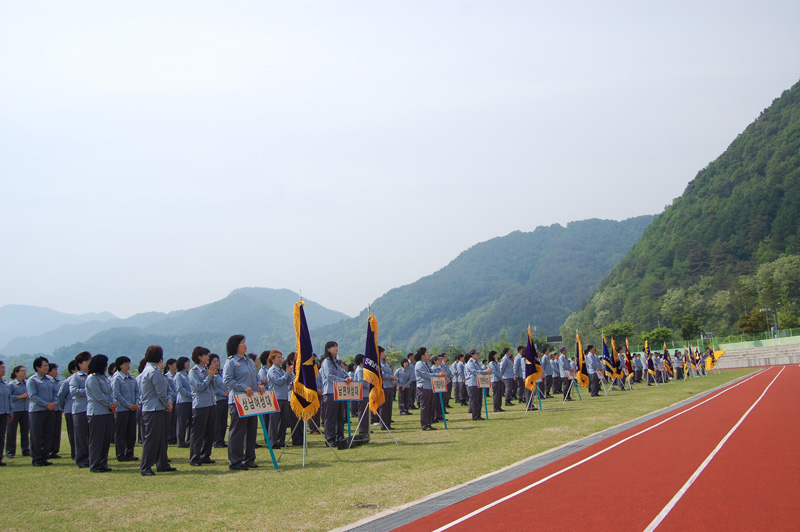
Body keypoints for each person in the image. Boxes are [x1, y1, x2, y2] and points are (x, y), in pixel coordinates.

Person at [223, 334, 264, 470]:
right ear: (235, 346)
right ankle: (235, 461)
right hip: (238, 400)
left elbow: (256, 376)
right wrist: (243, 387)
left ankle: (249, 458)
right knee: (237, 431)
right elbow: (228, 380)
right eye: (242, 342)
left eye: (245, 342)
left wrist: (258, 384)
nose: (245, 345)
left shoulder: (249, 361)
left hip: (251, 400)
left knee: (251, 430)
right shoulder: (231, 362)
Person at [139, 345, 176, 476]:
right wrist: (167, 405)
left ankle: (162, 463)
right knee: (152, 439)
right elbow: (161, 393)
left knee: (160, 438)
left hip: (152, 407)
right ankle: (146, 466)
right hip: (155, 409)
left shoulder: (147, 369)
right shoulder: (154, 371)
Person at [85, 355, 117, 472]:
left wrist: (113, 403)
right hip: (97, 412)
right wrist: (110, 405)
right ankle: (94, 464)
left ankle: (103, 463)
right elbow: (98, 396)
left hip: (107, 411)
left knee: (105, 440)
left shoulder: (105, 378)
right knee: (96, 440)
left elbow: (110, 392)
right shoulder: (92, 379)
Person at [188, 346, 217, 466]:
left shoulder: (207, 370)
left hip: (211, 403)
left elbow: (215, 386)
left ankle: (205, 455)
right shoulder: (193, 371)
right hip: (200, 405)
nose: (208, 357)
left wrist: (212, 375)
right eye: (206, 355)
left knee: (210, 432)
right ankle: (195, 457)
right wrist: (209, 376)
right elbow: (199, 387)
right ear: (199, 357)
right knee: (198, 433)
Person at [319, 341, 352, 446]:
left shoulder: (337, 362)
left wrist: (347, 377)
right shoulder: (326, 362)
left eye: (337, 346)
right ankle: (330, 439)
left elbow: (342, 373)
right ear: (328, 349)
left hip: (339, 392)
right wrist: (343, 380)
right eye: (333, 347)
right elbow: (329, 376)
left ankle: (340, 437)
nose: (336, 348)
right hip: (330, 392)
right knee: (331, 417)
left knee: (340, 416)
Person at [27, 357, 57, 466]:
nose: (47, 367)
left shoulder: (50, 379)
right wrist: (46, 404)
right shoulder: (32, 380)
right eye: (44, 365)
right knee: (36, 435)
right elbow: (33, 396)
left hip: (50, 410)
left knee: (48, 434)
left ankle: (44, 457)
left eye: (47, 365)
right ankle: (36, 458)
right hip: (37, 411)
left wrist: (54, 403)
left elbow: (55, 393)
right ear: (37, 367)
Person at [111, 356, 139, 462]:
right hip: (122, 409)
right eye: (125, 363)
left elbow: (137, 391)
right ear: (120, 365)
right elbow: (116, 394)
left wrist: (136, 402)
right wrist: (128, 405)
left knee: (131, 432)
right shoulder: (117, 378)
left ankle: (130, 453)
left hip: (132, 409)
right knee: (121, 432)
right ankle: (120, 454)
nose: (128, 365)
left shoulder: (132, 378)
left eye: (129, 363)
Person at [266, 350, 293, 448]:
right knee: (274, 421)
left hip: (284, 397)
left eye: (281, 357)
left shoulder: (282, 370)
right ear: (272, 359)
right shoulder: (272, 370)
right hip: (275, 397)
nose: (280, 359)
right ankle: (273, 442)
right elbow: (278, 382)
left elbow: (287, 383)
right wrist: (286, 374)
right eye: (277, 357)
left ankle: (281, 440)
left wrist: (289, 374)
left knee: (284, 420)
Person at [69, 352, 91, 467]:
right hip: (80, 409)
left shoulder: (93, 376)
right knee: (81, 436)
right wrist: (89, 391)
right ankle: (82, 460)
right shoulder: (76, 377)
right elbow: (74, 391)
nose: (89, 363)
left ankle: (91, 458)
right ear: (80, 364)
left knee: (91, 436)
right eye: (87, 361)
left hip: (92, 410)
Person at [414, 348, 444, 431]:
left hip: (430, 387)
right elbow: (426, 375)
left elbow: (430, 372)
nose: (428, 354)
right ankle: (425, 424)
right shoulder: (419, 364)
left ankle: (429, 423)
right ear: (422, 355)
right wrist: (438, 374)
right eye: (426, 353)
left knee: (430, 406)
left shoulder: (426, 363)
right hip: (424, 387)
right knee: (425, 406)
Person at [6, 365, 30, 459]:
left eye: (25, 370)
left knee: (25, 431)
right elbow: (9, 397)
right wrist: (19, 397)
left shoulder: (27, 383)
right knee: (11, 431)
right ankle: (10, 451)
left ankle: (25, 450)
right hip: (15, 410)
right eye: (22, 370)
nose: (24, 372)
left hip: (25, 410)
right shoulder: (11, 384)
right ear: (16, 373)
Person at [464, 349, 490, 420]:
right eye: (476, 354)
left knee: (479, 400)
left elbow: (480, 370)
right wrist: (485, 371)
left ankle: (478, 414)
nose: (477, 355)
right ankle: (475, 415)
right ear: (472, 355)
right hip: (472, 384)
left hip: (478, 383)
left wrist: (485, 371)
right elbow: (474, 372)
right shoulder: (470, 363)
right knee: (474, 400)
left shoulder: (477, 363)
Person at [209, 354, 228, 448]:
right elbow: (214, 388)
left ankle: (222, 439)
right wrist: (222, 393)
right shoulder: (211, 375)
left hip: (225, 400)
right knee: (217, 421)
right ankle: (216, 440)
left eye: (218, 361)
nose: (217, 363)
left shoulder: (222, 373)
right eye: (214, 361)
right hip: (217, 400)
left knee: (224, 421)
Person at [173, 356, 192, 448]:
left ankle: (189, 440)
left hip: (191, 401)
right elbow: (180, 389)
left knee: (191, 422)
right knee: (182, 422)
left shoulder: (189, 374)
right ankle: (181, 441)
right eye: (186, 362)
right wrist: (190, 395)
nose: (188, 364)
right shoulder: (179, 375)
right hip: (182, 402)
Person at [46, 362, 63, 459]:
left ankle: (54, 450)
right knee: (49, 431)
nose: (56, 372)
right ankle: (47, 450)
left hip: (57, 408)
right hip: (49, 408)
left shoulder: (58, 382)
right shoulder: (49, 382)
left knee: (57, 431)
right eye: (54, 370)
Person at [352, 354, 371, 439]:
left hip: (365, 394)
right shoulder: (360, 370)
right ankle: (363, 430)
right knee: (362, 411)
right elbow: (360, 382)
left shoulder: (363, 369)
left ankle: (366, 428)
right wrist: (369, 385)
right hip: (362, 394)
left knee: (366, 412)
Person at [378, 346, 396, 430]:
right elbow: (382, 374)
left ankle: (388, 423)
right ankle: (383, 424)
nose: (384, 354)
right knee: (384, 407)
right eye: (383, 353)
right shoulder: (378, 364)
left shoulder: (385, 363)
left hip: (389, 386)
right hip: (384, 386)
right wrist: (392, 377)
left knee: (389, 406)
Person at [163, 359, 178, 444]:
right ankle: (170, 437)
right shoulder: (167, 376)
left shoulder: (177, 375)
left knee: (175, 420)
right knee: (170, 420)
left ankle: (175, 436)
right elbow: (170, 390)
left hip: (177, 400)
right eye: (174, 364)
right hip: (172, 400)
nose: (176, 366)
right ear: (169, 365)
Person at [0, 360, 12, 465]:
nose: (3, 370)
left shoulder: (5, 384)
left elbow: (9, 400)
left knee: (1, 436)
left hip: (3, 413)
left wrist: (10, 412)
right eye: (1, 368)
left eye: (4, 368)